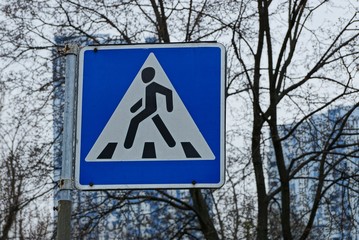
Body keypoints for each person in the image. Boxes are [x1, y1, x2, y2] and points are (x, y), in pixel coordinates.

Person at [124, 67, 176, 149]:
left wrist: (169, 107)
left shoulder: (154, 85)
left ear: (151, 76)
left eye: (144, 75)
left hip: (151, 109)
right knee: (160, 124)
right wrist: (134, 108)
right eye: (142, 75)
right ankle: (172, 143)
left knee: (134, 121)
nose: (143, 77)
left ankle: (127, 145)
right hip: (149, 109)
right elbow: (144, 100)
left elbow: (168, 92)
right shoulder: (147, 87)